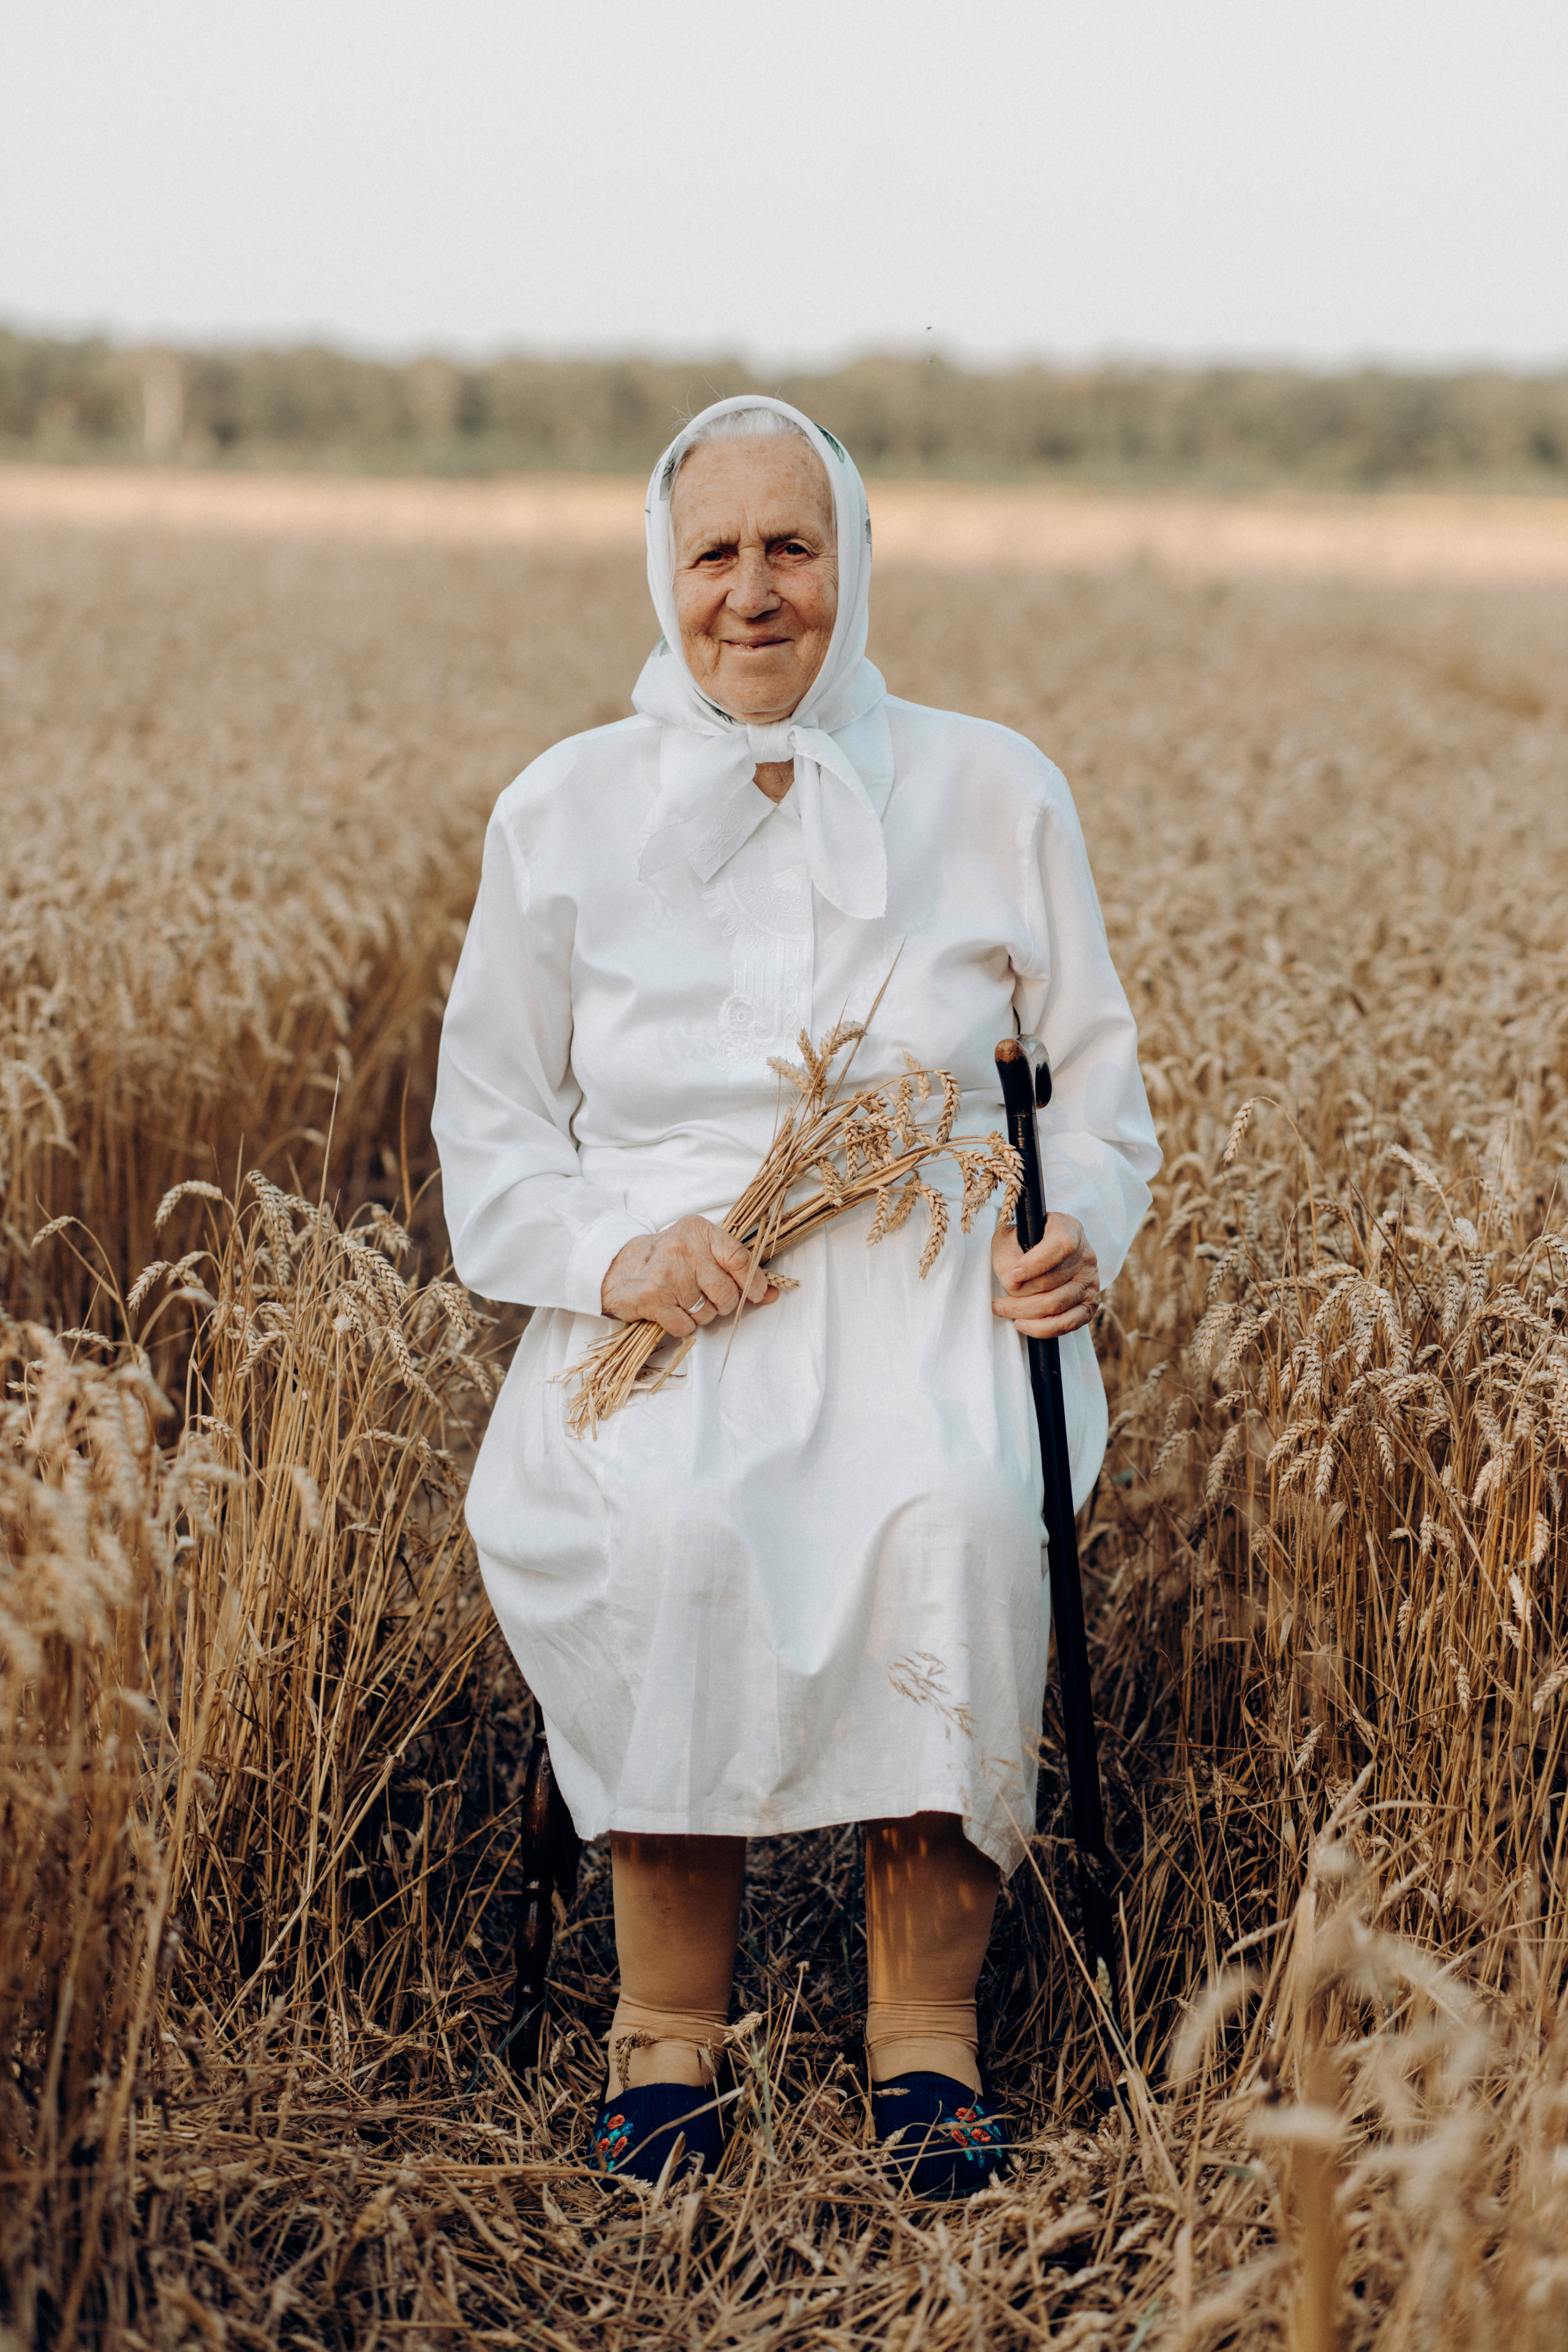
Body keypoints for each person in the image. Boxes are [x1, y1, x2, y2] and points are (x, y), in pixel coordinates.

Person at [433, 396, 1159, 2195]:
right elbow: (492, 1124)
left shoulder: (995, 787)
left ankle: (927, 2037)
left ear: (852, 560)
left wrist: (1075, 1229)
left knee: (958, 1516)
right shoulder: (562, 809)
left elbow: (1093, 1090)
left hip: (932, 1295)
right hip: (679, 1299)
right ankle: (666, 2034)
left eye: (792, 548)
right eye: (715, 554)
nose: (752, 593)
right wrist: (617, 1259)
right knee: (676, 1531)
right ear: (662, 572)